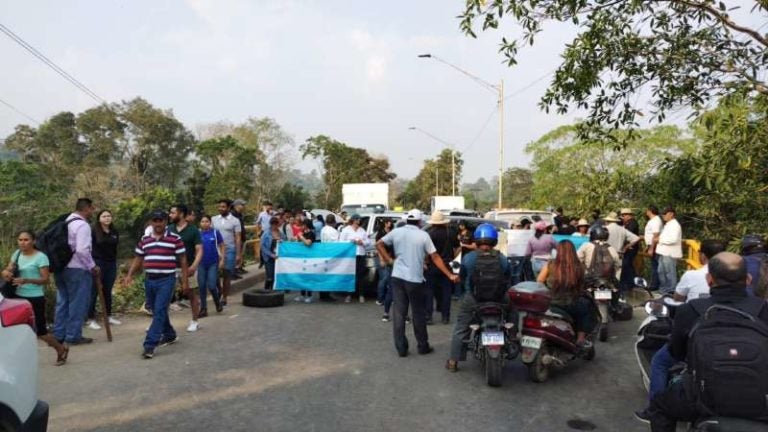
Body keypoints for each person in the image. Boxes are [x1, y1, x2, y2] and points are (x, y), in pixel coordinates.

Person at [643, 252, 768, 430]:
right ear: (748, 279)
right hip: (758, 398)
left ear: (710, 279)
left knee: (659, 407)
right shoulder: (763, 309)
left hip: (703, 398)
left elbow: (677, 352)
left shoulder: (690, 310)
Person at [635, 239, 727, 421]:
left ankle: (656, 409)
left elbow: (678, 300)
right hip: (731, 336)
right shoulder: (739, 278)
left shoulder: (693, 276)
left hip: (696, 336)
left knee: (660, 362)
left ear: (702, 255)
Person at [376, 209, 460, 357]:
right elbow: (435, 257)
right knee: (418, 313)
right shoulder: (423, 235)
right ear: (420, 222)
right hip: (414, 279)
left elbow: (379, 243)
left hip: (397, 277)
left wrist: (389, 260)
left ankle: (401, 348)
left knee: (399, 313)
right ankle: (422, 346)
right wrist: (449, 274)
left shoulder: (397, 232)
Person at [445, 223, 511, 372]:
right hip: (498, 299)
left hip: (473, 300)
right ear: (494, 241)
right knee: (513, 311)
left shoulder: (469, 258)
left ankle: (453, 361)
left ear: (477, 240)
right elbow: (508, 277)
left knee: (461, 328)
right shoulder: (502, 258)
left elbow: (461, 278)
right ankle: (512, 338)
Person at [124, 210, 189, 359]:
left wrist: (185, 281)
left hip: (167, 279)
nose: (158, 223)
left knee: (159, 310)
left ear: (166, 222)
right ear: (151, 222)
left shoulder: (174, 239)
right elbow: (138, 258)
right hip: (150, 279)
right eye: (155, 220)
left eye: (161, 220)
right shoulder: (145, 239)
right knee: (155, 309)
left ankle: (149, 345)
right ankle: (170, 334)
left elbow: (183, 260)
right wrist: (129, 275)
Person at [2, 230, 68, 365]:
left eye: (26, 240)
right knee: (17, 329)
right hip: (17, 297)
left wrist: (26, 280)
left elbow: (45, 280)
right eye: (20, 240)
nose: (22, 243)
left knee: (41, 331)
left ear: (33, 241)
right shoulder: (17, 254)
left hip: (35, 297)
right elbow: (9, 268)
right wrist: (6, 272)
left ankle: (60, 348)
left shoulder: (41, 257)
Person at [53, 198, 99, 345]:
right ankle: (73, 336)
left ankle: (59, 334)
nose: (93, 212)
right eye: (92, 209)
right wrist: (92, 266)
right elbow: (82, 250)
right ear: (87, 208)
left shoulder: (64, 222)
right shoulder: (82, 225)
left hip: (60, 267)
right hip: (77, 269)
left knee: (63, 302)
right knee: (77, 303)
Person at [537, 240, 598, 349]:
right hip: (572, 304)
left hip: (552, 303)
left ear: (558, 251)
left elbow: (539, 281)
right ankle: (580, 339)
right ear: (573, 251)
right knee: (586, 310)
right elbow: (582, 285)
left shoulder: (550, 264)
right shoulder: (579, 267)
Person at [168, 205, 203, 332]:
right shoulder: (169, 229)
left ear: (181, 214)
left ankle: (195, 320)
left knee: (192, 294)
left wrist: (194, 266)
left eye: (173, 213)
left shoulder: (193, 230)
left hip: (188, 268)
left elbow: (199, 250)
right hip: (170, 268)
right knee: (165, 295)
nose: (170, 215)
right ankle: (159, 322)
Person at [86, 210, 121, 331]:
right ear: (99, 219)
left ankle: (108, 316)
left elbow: (115, 248)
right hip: (97, 263)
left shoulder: (114, 231)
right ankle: (90, 318)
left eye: (109, 216)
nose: (107, 218)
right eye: (104, 216)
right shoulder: (94, 231)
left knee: (107, 290)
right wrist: (92, 264)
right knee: (94, 291)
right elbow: (88, 248)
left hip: (111, 263)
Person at [425, 211, 459, 324]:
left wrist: (425, 261)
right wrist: (452, 257)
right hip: (447, 265)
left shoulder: (429, 233)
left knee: (429, 292)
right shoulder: (451, 232)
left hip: (432, 266)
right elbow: (458, 248)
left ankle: (428, 316)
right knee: (446, 292)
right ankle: (445, 317)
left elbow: (426, 251)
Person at [212, 199, 242, 306]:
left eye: (223, 207)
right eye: (219, 206)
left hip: (230, 250)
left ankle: (224, 297)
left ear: (229, 208)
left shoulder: (235, 221)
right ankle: (219, 290)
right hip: (215, 250)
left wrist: (238, 254)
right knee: (213, 274)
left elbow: (238, 238)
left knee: (227, 274)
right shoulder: (213, 219)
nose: (221, 208)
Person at [339, 213, 370, 303]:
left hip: (360, 254)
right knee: (350, 274)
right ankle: (349, 295)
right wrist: (351, 241)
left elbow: (368, 242)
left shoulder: (362, 230)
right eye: (357, 219)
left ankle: (361, 294)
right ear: (353, 220)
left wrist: (362, 242)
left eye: (359, 219)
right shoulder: (346, 230)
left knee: (361, 275)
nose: (359, 221)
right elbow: (341, 242)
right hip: (350, 256)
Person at [197, 214, 223, 316]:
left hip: (213, 262)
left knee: (212, 286)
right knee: (202, 286)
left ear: (210, 222)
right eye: (203, 221)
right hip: (201, 263)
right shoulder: (197, 234)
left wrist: (222, 259)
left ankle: (217, 303)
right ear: (200, 223)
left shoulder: (215, 233)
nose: (205, 223)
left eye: (207, 221)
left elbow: (221, 245)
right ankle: (203, 309)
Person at [656, 206, 683, 296]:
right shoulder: (668, 224)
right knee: (661, 271)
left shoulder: (675, 225)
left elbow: (673, 239)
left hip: (670, 253)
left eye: (665, 214)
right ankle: (664, 289)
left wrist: (659, 240)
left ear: (671, 214)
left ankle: (671, 290)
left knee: (669, 273)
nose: (663, 215)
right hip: (663, 252)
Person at [318, 214, 339, 302]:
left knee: (323, 274)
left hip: (323, 253)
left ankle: (322, 294)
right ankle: (326, 294)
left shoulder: (323, 229)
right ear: (333, 222)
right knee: (329, 274)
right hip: (331, 254)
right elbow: (337, 243)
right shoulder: (334, 231)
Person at [375, 218, 395, 315]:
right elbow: (378, 247)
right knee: (383, 279)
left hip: (390, 258)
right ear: (385, 223)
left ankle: (388, 298)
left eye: (391, 222)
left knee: (389, 280)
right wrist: (382, 259)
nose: (390, 224)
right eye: (389, 222)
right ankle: (380, 298)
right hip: (383, 258)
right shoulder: (381, 233)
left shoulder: (392, 232)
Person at [619, 208, 641, 291]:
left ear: (628, 215)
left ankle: (629, 284)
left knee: (626, 265)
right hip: (629, 247)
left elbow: (629, 235)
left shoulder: (632, 223)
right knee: (629, 265)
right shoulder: (629, 223)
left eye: (623, 215)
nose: (623, 217)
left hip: (631, 247)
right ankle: (631, 282)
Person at [261, 216, 286, 290]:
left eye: (276, 224)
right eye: (273, 224)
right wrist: (271, 255)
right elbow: (263, 247)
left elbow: (285, 241)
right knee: (270, 276)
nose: (274, 226)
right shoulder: (266, 233)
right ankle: (266, 290)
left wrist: (282, 241)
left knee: (275, 276)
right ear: (271, 224)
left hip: (277, 257)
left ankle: (273, 291)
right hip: (269, 257)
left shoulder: (280, 233)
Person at [295, 219, 317, 303]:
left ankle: (310, 295)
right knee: (302, 277)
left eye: (302, 225)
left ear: (306, 225)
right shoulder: (303, 233)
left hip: (310, 258)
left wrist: (301, 237)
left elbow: (308, 243)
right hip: (302, 258)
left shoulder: (311, 233)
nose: (301, 226)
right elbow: (295, 240)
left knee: (309, 277)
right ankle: (302, 294)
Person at [644, 205, 663, 291]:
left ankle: (655, 285)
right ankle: (655, 284)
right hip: (652, 245)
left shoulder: (656, 220)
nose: (646, 212)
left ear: (650, 211)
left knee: (656, 266)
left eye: (647, 210)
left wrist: (651, 248)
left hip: (656, 246)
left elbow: (655, 235)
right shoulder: (653, 220)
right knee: (655, 266)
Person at [456, 221, 475, 298]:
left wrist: (464, 245)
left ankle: (468, 293)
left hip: (467, 257)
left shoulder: (470, 234)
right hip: (458, 257)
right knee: (458, 274)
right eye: (460, 225)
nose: (460, 227)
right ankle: (458, 293)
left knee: (468, 275)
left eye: (462, 225)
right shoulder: (458, 234)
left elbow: (474, 246)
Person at [230, 199, 248, 277]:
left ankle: (239, 267)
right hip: (236, 237)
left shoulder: (239, 214)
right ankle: (234, 270)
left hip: (241, 236)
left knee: (240, 253)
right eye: (242, 205)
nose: (243, 206)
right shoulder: (232, 214)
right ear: (236, 205)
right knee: (236, 254)